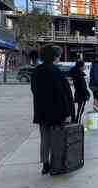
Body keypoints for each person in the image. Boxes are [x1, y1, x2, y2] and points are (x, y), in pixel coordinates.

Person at [31, 44, 75, 175]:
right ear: (54, 56)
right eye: (59, 55)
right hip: (56, 113)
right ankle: (56, 165)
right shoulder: (57, 72)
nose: (60, 57)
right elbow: (63, 95)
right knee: (57, 140)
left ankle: (45, 164)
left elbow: (34, 90)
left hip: (41, 112)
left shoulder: (37, 71)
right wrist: (68, 113)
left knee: (44, 139)